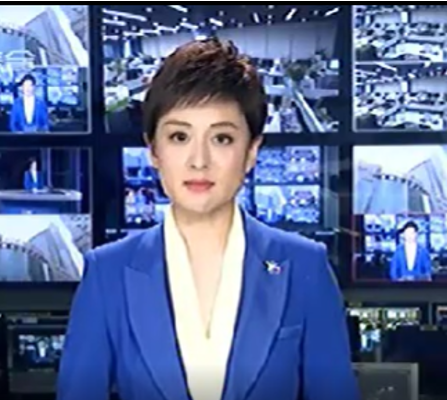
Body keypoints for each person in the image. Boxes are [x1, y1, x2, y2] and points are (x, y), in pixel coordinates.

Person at [58, 38, 359, 400]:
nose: (199, 160)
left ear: (251, 151)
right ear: (153, 150)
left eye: (222, 138)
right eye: (179, 136)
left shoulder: (304, 266)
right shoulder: (107, 273)